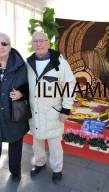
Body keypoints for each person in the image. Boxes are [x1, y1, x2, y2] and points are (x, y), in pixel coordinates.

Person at [26, 31, 76, 184]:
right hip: (35, 112)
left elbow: (69, 84)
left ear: (48, 43)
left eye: (42, 40)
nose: (39, 44)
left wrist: (66, 109)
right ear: (32, 44)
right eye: (36, 41)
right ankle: (40, 163)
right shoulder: (28, 63)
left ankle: (57, 169)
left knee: (55, 144)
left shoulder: (59, 62)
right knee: (37, 142)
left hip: (53, 111)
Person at [0, 32, 29, 182]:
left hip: (14, 112)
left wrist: (21, 93)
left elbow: (30, 87)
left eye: (4, 43)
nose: (1, 46)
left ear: (10, 47)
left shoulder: (21, 65)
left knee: (15, 143)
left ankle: (15, 171)